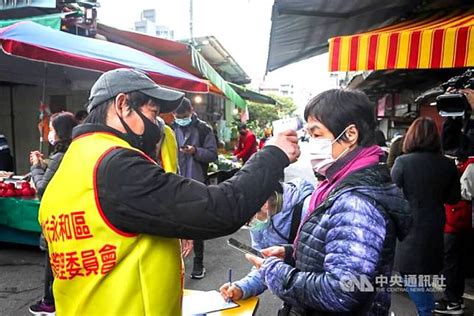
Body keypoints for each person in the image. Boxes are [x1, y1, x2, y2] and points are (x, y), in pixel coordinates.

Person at [38, 68, 300, 315]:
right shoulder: (116, 165)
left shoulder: (73, 162)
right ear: (121, 105)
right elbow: (220, 209)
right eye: (153, 114)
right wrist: (272, 155)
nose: (158, 126)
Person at [245, 89, 412, 315]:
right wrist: (291, 253)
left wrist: (275, 272)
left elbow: (342, 291)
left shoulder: (355, 202)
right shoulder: (337, 186)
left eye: (316, 134)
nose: (310, 144)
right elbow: (336, 252)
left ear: (350, 134)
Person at [391, 117, 460, 316]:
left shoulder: (402, 162)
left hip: (408, 230)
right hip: (436, 228)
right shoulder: (447, 164)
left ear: (411, 137)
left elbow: (392, 194)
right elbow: (454, 198)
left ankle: (426, 311)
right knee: (423, 275)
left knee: (411, 276)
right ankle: (426, 309)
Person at [219, 178, 314, 301]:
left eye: (247, 220)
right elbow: (264, 267)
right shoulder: (259, 220)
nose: (250, 225)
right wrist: (242, 288)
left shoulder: (309, 211)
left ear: (264, 205)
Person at [28, 112, 78, 316]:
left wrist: (35, 169)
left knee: (54, 260)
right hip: (74, 212)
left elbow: (43, 187)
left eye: (53, 129)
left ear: (60, 132)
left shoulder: (60, 156)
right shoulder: (75, 151)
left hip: (59, 215)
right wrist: (43, 165)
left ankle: (50, 302)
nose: (50, 133)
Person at [172, 98, 218, 279]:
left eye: (183, 116)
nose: (180, 119)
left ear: (191, 110)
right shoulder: (169, 129)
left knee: (197, 225)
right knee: (175, 225)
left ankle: (198, 263)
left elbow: (213, 155)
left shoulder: (203, 129)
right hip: (174, 182)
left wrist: (195, 151)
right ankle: (177, 264)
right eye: (177, 116)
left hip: (196, 184)